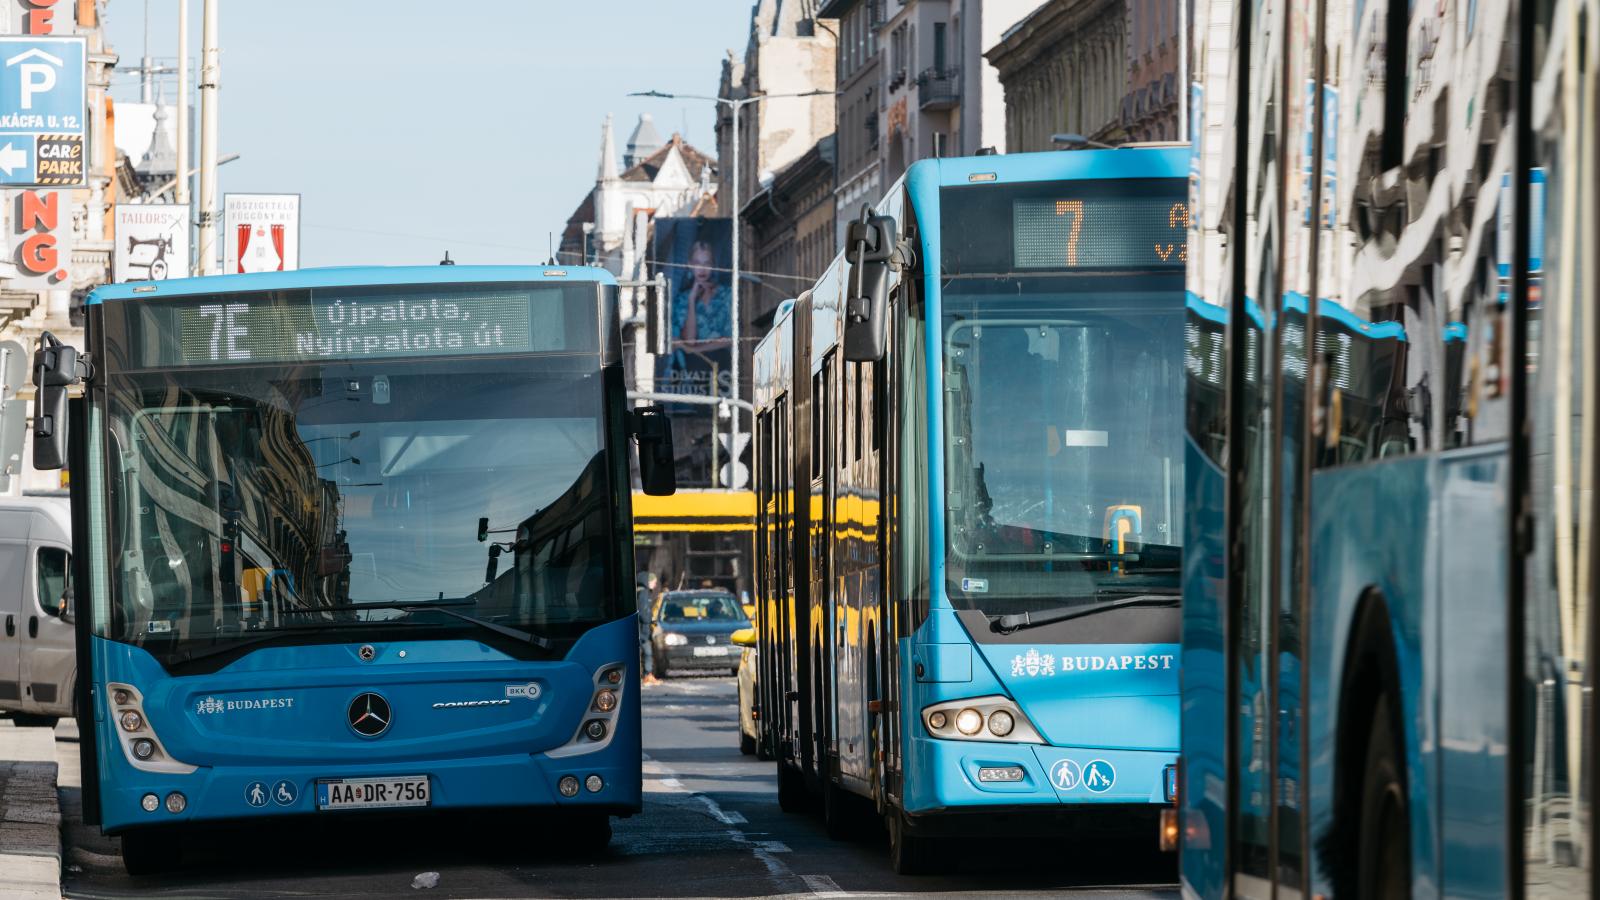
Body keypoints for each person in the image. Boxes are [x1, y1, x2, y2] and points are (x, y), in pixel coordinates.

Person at [636, 571, 660, 683]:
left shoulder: (638, 591)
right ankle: (648, 675)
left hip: (638, 629)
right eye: (654, 582)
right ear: (648, 581)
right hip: (642, 630)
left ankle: (644, 675)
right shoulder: (644, 593)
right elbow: (643, 612)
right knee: (648, 653)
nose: (655, 585)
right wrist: (650, 620)